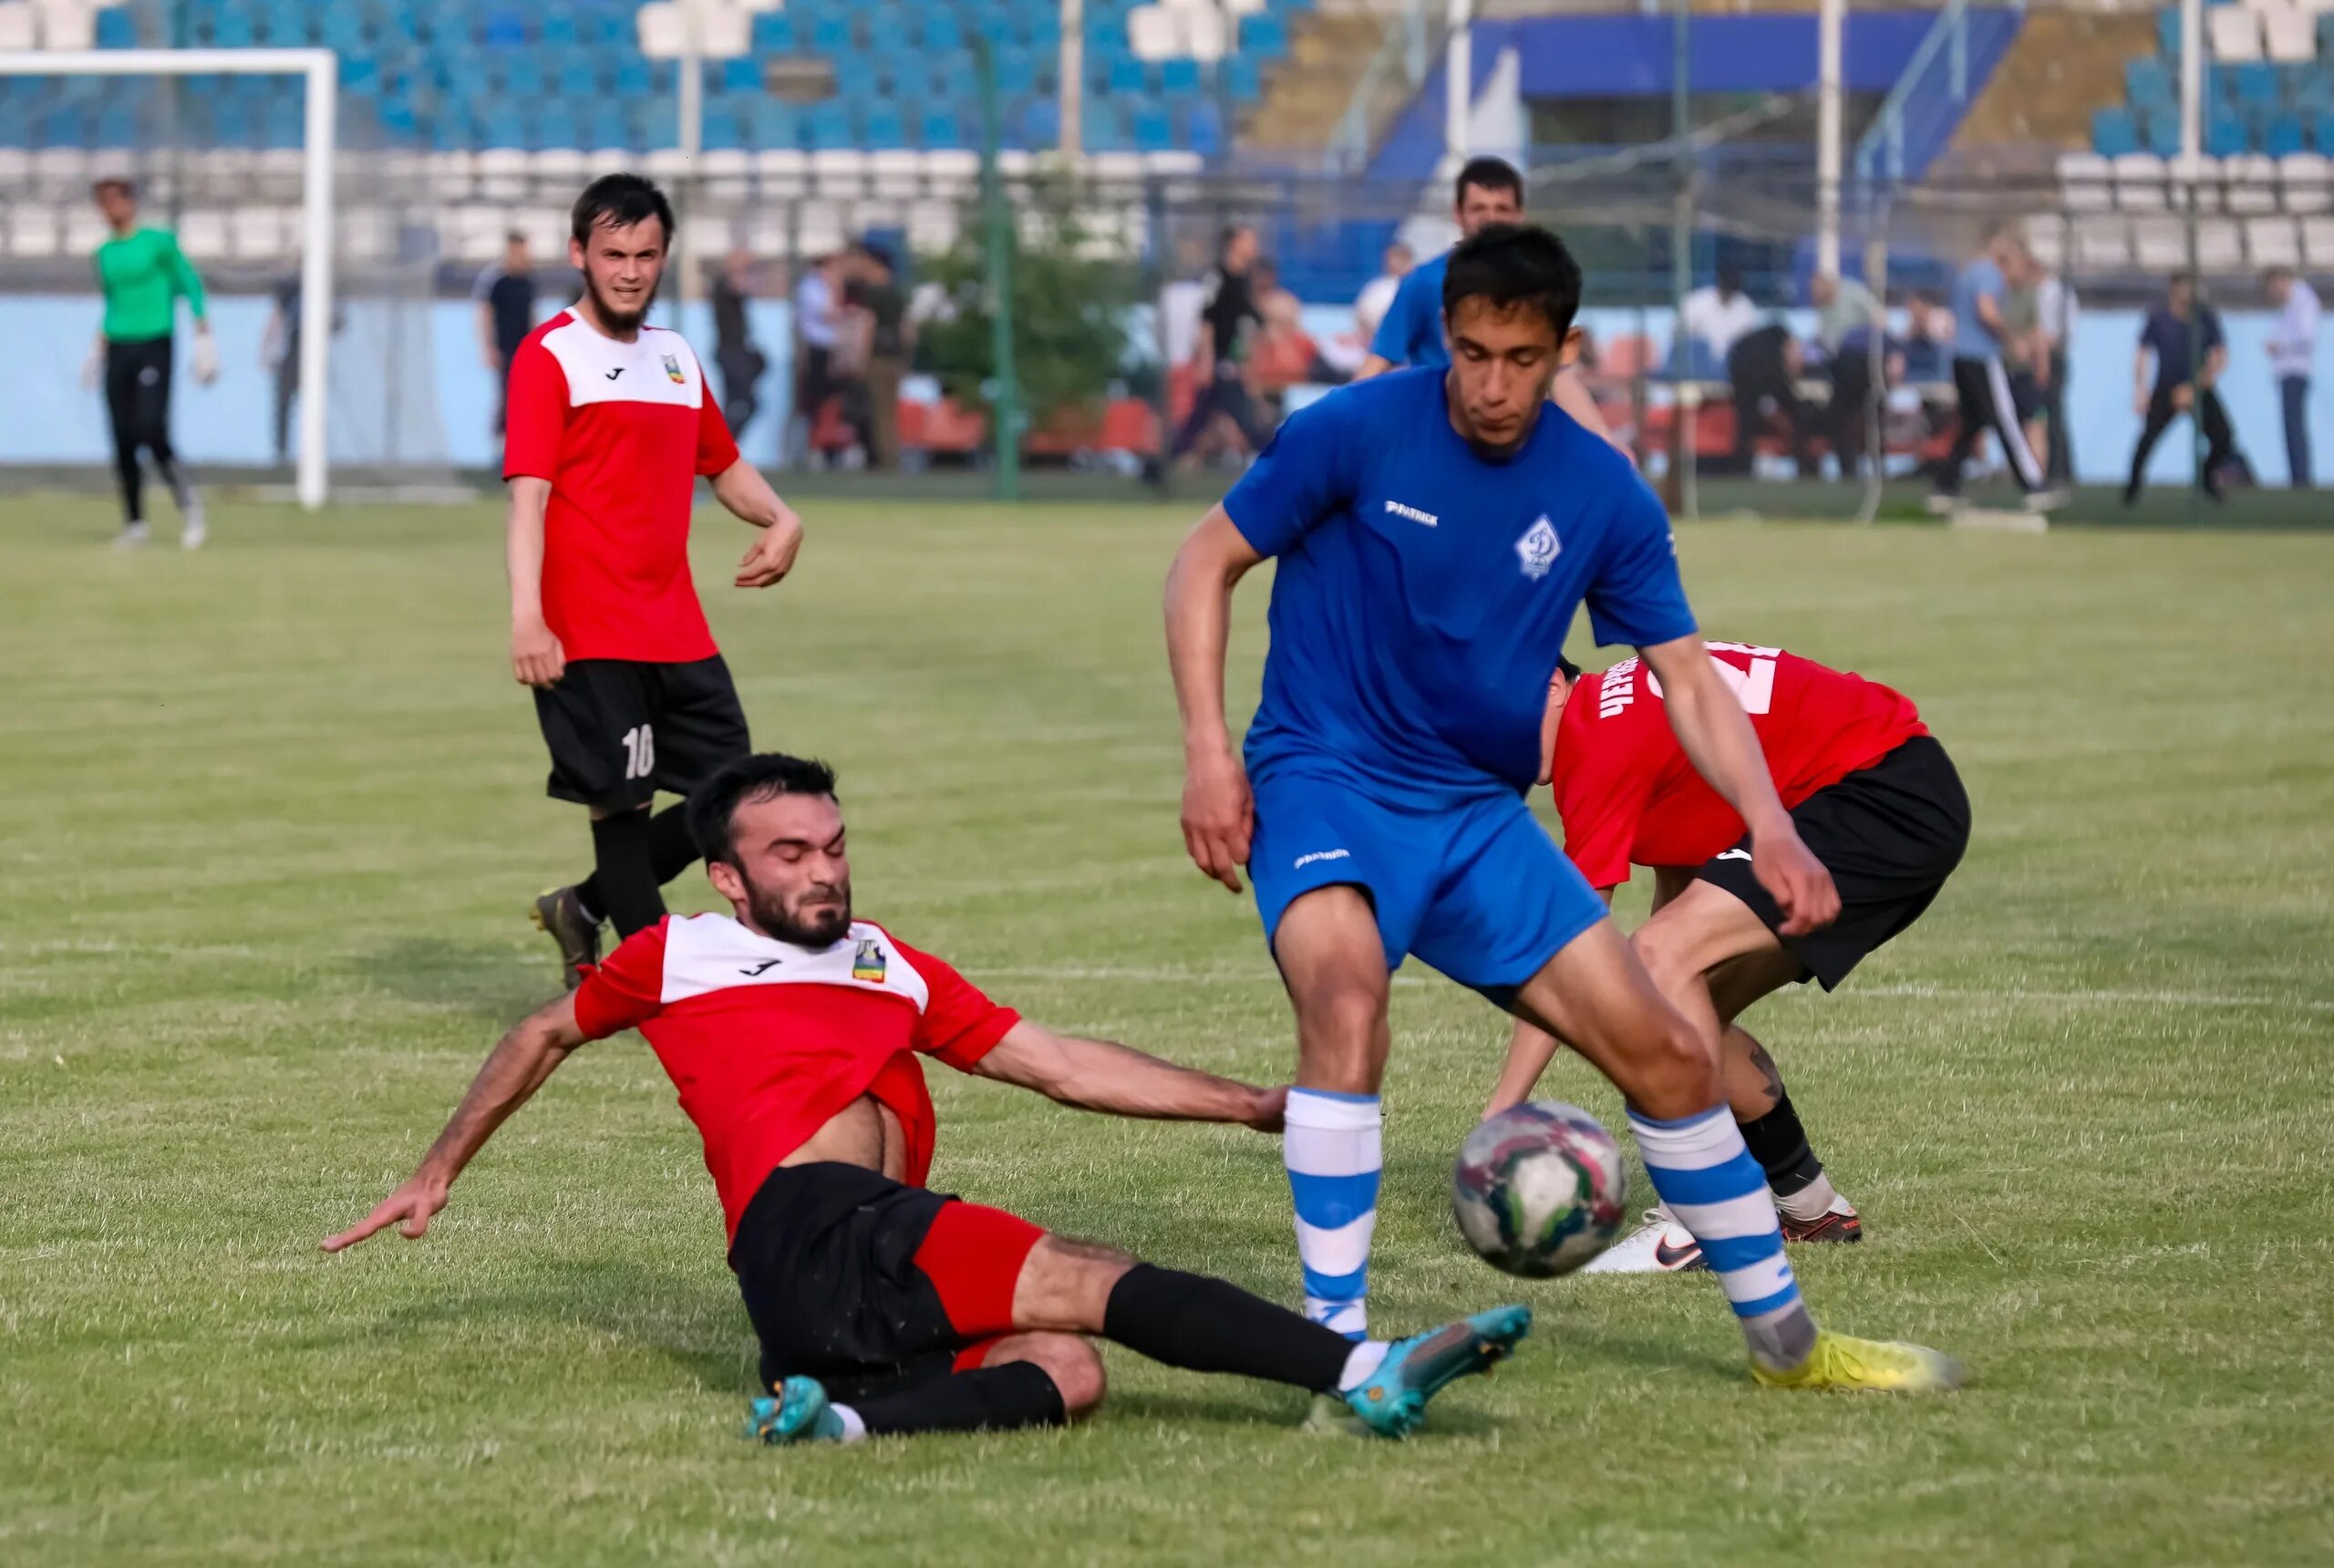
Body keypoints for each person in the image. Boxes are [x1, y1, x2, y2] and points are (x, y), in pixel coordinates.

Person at [1162, 222, 1960, 1394]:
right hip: (1322, 775)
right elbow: (1202, 560)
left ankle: (1791, 1348)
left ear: (1563, 348)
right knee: (1345, 999)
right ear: (1446, 336)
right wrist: (1204, 752)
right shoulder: (1352, 428)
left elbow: (1685, 674)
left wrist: (1772, 823)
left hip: (1476, 815)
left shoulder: (1600, 494)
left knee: (1666, 1055)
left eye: (1521, 358)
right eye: (1473, 353)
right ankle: (1334, 1349)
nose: (1492, 384)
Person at [324, 753, 1529, 1444]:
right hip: (816, 1225)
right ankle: (1359, 1368)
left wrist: (1254, 1105)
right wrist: (436, 1171)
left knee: (1067, 1368)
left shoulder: (886, 963)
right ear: (733, 884)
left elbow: (1056, 1064)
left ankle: (838, 1420)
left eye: (834, 845)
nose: (825, 869)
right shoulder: (677, 953)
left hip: (822, 1298)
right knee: (1088, 1274)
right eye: (790, 856)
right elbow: (542, 1030)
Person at [1489, 642, 1968, 1274]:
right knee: (1678, 1002)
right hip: (1901, 789)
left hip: (1873, 794)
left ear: (1551, 683)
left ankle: (1699, 1223)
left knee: (1654, 966)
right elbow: (1681, 881)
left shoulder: (1594, 736)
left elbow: (1569, 948)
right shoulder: (1623, 709)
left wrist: (1502, 1110)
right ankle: (1810, 1207)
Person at [504, 175, 806, 987]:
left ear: (665, 256)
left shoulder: (674, 357)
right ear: (580, 256)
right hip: (588, 628)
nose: (630, 271)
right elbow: (527, 499)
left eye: (645, 255)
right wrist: (528, 619)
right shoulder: (550, 355)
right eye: (613, 255)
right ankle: (668, 994)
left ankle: (583, 907)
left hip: (674, 623)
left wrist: (782, 519)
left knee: (735, 800)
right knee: (623, 805)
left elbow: (725, 465)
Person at [1353, 157, 1613, 441]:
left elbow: (1560, 375)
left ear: (1519, 215)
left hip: (1511, 441)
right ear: (1458, 213)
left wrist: (1605, 444)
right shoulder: (1424, 283)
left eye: (1501, 209)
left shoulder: (1536, 287)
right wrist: (1335, 426)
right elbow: (1378, 363)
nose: (1489, 219)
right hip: (1442, 439)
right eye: (1479, 209)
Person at [87, 178, 214, 550]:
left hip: (154, 342)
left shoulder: (158, 243)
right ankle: (135, 523)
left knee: (151, 428)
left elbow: (188, 281)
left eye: (115, 201)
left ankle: (188, 506)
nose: (110, 210)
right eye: (103, 203)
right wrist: (96, 348)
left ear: (130, 203)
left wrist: (203, 329)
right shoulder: (104, 254)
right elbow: (112, 303)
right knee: (122, 436)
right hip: (119, 345)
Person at [1931, 226, 2060, 512]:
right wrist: (2011, 338)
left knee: (1972, 424)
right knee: (2006, 420)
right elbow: (1986, 311)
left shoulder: (1968, 272)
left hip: (1960, 357)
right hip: (1980, 357)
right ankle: (2034, 484)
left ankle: (1944, 486)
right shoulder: (1989, 273)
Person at [1165, 225, 1273, 470]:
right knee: (1244, 416)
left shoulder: (1243, 279)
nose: (1254, 246)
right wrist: (1206, 361)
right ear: (1234, 244)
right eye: (1249, 240)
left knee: (1198, 419)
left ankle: (1157, 467)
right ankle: (1279, 460)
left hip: (1229, 360)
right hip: (1218, 360)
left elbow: (1250, 317)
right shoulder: (1217, 276)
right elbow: (1206, 321)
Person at [2124, 273, 2235, 506]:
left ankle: (2206, 477)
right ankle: (2131, 490)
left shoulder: (2205, 317)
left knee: (2223, 437)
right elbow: (2142, 354)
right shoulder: (2158, 318)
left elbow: (2219, 357)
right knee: (2147, 440)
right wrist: (2140, 391)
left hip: (2199, 388)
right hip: (2166, 389)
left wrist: (2196, 386)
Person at [845, 241, 911, 470]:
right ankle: (892, 456)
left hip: (879, 357)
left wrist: (861, 359)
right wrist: (905, 357)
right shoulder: (897, 293)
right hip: (895, 357)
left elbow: (867, 326)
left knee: (878, 411)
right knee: (890, 410)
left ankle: (884, 460)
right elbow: (907, 329)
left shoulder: (872, 294)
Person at [1722, 321, 1816, 478]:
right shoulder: (1774, 348)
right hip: (1751, 375)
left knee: (1744, 426)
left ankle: (1741, 468)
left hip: (1742, 375)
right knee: (1795, 416)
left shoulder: (1762, 343)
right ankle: (1805, 464)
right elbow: (1781, 384)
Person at [475, 232, 539, 438]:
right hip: (504, 348)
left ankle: (521, 440)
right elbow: (485, 313)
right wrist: (489, 347)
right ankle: (501, 443)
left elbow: (531, 316)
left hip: (524, 348)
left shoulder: (528, 282)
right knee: (506, 394)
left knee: (525, 395)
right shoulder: (496, 281)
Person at [2265, 265, 2318, 489]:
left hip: (2296, 372)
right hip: (2286, 373)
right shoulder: (2289, 306)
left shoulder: (2303, 301)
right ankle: (2297, 477)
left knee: (2295, 428)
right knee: (2290, 428)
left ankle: (2301, 479)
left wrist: (2280, 346)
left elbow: (2306, 337)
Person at [790, 253, 843, 466]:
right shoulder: (811, 288)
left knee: (831, 403)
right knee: (812, 402)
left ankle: (828, 448)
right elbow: (830, 314)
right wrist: (835, 289)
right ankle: (806, 451)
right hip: (815, 351)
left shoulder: (823, 288)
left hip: (829, 350)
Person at [709, 247, 767, 447]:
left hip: (735, 351)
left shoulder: (729, 286)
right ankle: (723, 444)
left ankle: (724, 445)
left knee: (738, 402)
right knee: (745, 401)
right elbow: (738, 284)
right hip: (731, 352)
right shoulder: (723, 284)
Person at [2035, 264, 2079, 487]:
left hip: (2052, 359)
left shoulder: (2052, 292)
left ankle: (2059, 470)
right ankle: (2059, 470)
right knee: (2052, 416)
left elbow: (2053, 334)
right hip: (2051, 357)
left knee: (2053, 416)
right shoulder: (2060, 291)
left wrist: (2042, 358)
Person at [1677, 266, 1762, 374]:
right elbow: (1681, 337)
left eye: (1731, 291)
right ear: (1719, 282)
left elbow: (1748, 344)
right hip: (1699, 369)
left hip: (1733, 369)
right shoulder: (1696, 303)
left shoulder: (1745, 307)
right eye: (1726, 288)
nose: (1728, 294)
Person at [1353, 240, 1412, 346]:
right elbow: (1361, 316)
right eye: (1391, 258)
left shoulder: (1415, 285)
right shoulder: (1375, 287)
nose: (1393, 262)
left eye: (1398, 258)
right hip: (1377, 343)